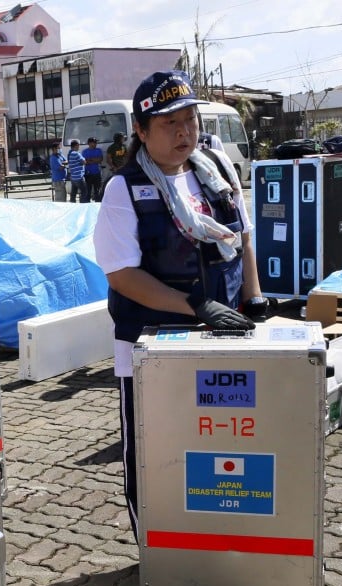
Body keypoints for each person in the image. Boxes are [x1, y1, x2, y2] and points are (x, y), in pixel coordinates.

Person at [92, 71, 265, 542]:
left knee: (218, 453)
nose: (184, 132)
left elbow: (242, 236)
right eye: (169, 124)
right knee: (154, 459)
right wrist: (197, 307)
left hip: (220, 339)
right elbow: (122, 275)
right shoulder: (123, 190)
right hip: (151, 350)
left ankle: (214, 549)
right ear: (142, 132)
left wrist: (253, 299)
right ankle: (156, 559)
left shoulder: (216, 168)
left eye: (189, 119)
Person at [82, 136, 104, 202]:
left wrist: (90, 160)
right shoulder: (84, 151)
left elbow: (100, 160)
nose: (96, 143)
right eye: (94, 142)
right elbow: (85, 162)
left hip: (97, 173)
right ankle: (87, 206)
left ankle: (97, 206)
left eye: (96, 142)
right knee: (88, 191)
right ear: (89, 143)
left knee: (97, 191)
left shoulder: (99, 150)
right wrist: (95, 160)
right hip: (88, 174)